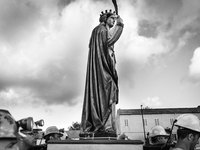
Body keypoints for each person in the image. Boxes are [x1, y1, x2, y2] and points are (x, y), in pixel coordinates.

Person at [81, 9, 124, 134]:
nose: (113, 21)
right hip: (102, 67)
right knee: (111, 87)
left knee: (107, 89)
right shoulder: (102, 30)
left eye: (115, 20)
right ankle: (106, 125)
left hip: (100, 66)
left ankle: (105, 124)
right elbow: (109, 42)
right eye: (112, 19)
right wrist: (120, 26)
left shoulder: (97, 30)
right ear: (105, 19)